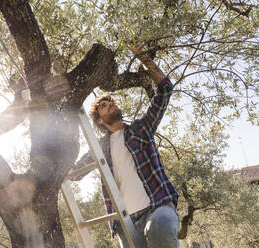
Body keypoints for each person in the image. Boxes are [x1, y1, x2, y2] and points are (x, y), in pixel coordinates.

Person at [72, 44, 179, 248]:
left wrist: (144, 59)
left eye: (111, 103)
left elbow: (165, 90)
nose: (110, 104)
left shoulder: (141, 129)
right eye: (103, 106)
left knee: (160, 230)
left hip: (157, 206)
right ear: (100, 121)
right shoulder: (100, 147)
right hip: (125, 220)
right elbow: (75, 173)